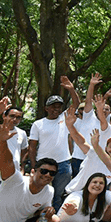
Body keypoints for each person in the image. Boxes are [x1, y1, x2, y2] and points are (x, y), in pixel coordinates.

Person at [28, 78, 79, 210]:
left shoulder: (64, 118)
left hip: (63, 163)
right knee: (38, 193)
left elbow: (76, 104)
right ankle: (37, 218)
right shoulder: (38, 124)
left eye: (58, 106)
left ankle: (56, 221)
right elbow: (32, 147)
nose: (56, 109)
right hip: (43, 165)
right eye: (52, 106)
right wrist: (34, 166)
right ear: (46, 108)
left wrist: (71, 89)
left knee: (60, 195)